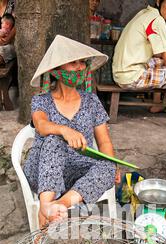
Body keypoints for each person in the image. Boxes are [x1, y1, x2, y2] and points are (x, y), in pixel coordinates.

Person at [24, 35, 116, 226]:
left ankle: (60, 204)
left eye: (82, 62)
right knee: (53, 139)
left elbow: (104, 141)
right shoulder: (41, 101)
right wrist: (64, 130)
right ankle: (46, 204)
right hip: (44, 172)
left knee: (108, 166)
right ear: (56, 70)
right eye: (73, 63)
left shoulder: (91, 101)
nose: (81, 67)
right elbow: (41, 125)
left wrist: (113, 163)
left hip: (78, 172)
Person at [112, 0, 166, 133]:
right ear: (159, 1)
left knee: (159, 61)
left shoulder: (145, 13)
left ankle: (157, 105)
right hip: (131, 76)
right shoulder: (158, 20)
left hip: (122, 71)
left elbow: (159, 53)